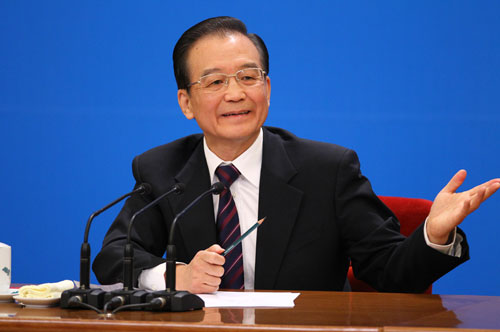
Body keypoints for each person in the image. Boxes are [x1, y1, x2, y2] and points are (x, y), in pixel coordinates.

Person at [93, 16, 500, 294]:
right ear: (186, 102)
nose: (236, 93)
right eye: (215, 81)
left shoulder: (328, 170)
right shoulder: (163, 169)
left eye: (249, 77)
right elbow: (113, 258)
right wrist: (175, 275)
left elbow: (391, 271)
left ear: (267, 89)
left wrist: (435, 234)